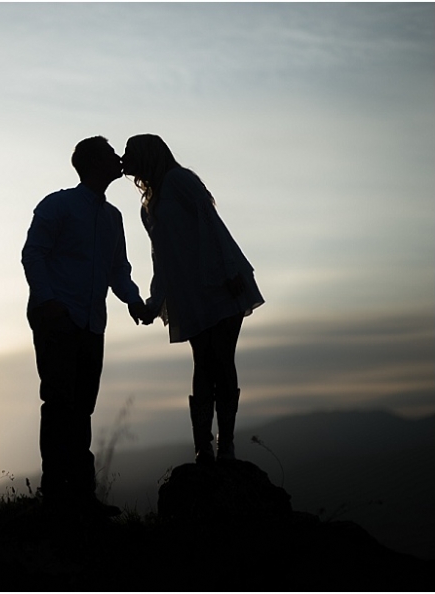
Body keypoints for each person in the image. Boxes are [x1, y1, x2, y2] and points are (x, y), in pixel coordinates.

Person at [22, 136, 147, 516]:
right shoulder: (58, 205)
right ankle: (57, 494)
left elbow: (117, 271)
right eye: (112, 154)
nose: (119, 159)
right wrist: (49, 302)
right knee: (59, 403)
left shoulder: (113, 218)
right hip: (58, 319)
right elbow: (33, 253)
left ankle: (80, 495)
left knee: (82, 408)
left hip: (92, 323)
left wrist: (135, 301)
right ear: (94, 163)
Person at [121, 134, 264, 464]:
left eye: (129, 152)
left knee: (222, 361)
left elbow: (213, 228)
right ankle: (204, 447)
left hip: (221, 284)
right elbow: (163, 258)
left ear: (147, 155)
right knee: (204, 364)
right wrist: (156, 302)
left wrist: (229, 274)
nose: (123, 158)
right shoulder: (150, 206)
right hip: (191, 294)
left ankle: (225, 444)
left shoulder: (179, 181)